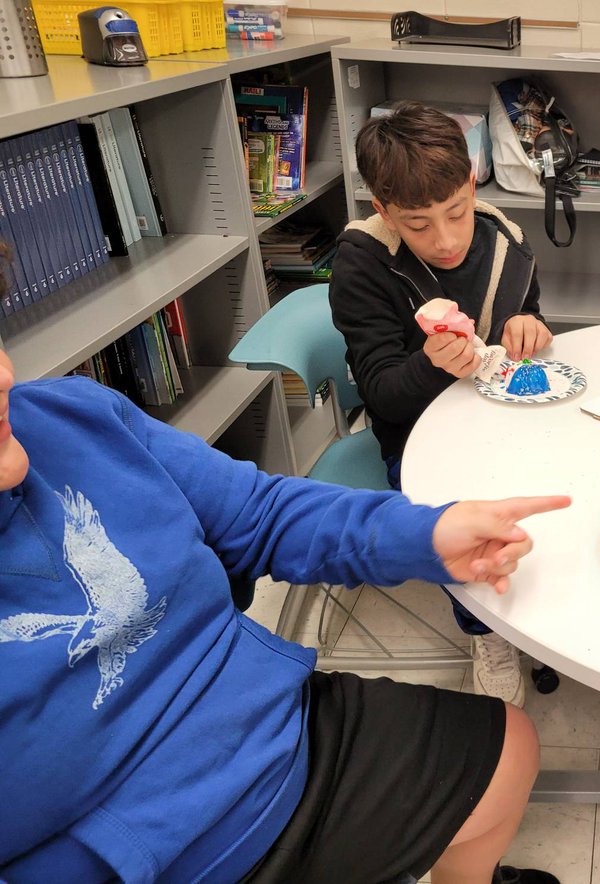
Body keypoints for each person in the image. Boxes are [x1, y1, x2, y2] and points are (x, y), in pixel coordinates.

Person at [0, 243, 568, 884]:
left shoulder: (73, 416)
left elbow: (258, 512)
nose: (3, 376)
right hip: (154, 861)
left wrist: (426, 534)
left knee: (509, 748)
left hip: (272, 733)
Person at [331, 103, 555, 707]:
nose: (447, 239)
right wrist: (432, 365)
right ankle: (487, 632)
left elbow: (525, 314)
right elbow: (381, 394)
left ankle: (547, 608)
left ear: (472, 185)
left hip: (500, 415)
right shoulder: (362, 262)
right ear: (383, 211)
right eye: (418, 224)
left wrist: (529, 325)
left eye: (456, 212)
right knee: (468, 519)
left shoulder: (506, 242)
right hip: (418, 438)